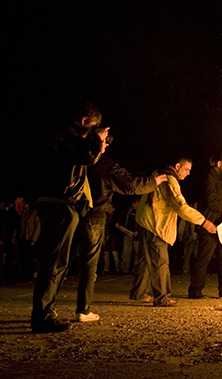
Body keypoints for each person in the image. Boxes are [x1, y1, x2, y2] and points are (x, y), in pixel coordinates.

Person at [68, 133, 166, 322]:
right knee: (89, 263)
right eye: (104, 140)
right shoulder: (103, 164)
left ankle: (45, 308)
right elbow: (129, 184)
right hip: (93, 215)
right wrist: (154, 182)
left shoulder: (73, 158)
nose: (106, 144)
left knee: (61, 262)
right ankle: (83, 309)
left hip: (71, 212)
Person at [31, 101, 107, 333]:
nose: (93, 132)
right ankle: (43, 315)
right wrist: (98, 142)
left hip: (60, 202)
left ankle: (46, 311)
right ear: (84, 121)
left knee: (58, 260)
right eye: (92, 127)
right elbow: (88, 156)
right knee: (54, 261)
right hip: (59, 202)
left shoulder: (63, 134)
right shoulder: (66, 135)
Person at [130, 156, 215, 307]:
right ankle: (162, 298)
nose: (188, 173)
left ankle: (139, 292)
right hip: (155, 225)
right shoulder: (170, 180)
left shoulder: (158, 173)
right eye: (186, 169)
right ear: (177, 166)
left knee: (145, 260)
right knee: (160, 262)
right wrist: (204, 221)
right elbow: (180, 206)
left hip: (145, 221)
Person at [189, 153, 222, 299]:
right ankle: (195, 290)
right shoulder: (210, 176)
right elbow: (211, 200)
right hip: (210, 224)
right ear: (218, 163)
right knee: (204, 257)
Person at [117, 197, 141, 274]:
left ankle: (136, 270)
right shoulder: (128, 210)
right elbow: (123, 219)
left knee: (137, 253)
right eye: (134, 204)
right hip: (127, 234)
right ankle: (125, 269)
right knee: (126, 252)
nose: (135, 206)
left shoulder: (141, 211)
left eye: (136, 204)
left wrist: (138, 231)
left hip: (137, 236)